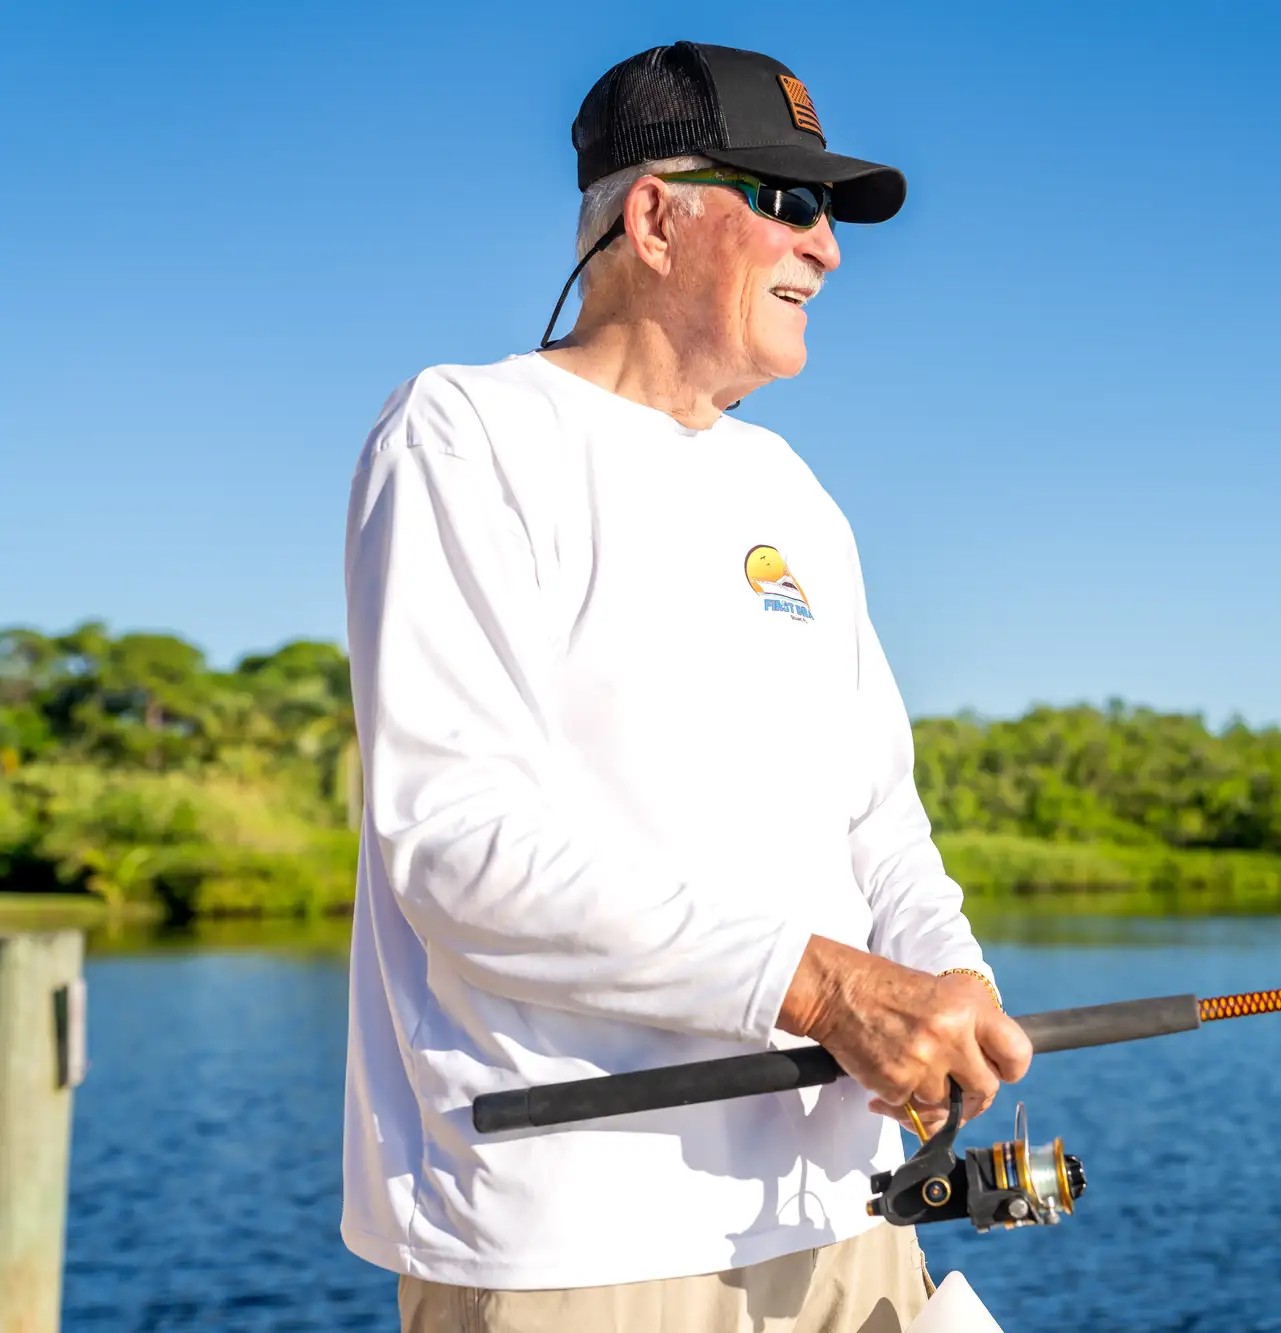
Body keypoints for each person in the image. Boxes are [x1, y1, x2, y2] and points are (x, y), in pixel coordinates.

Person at [340, 41, 1032, 1333]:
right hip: (579, 1246)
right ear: (654, 215)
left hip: (847, 1217)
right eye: (789, 201)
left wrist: (953, 981)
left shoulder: (795, 495)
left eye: (826, 214)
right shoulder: (464, 431)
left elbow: (879, 823)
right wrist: (831, 992)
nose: (826, 248)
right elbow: (458, 849)